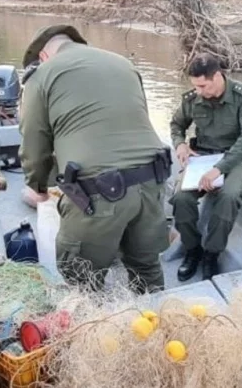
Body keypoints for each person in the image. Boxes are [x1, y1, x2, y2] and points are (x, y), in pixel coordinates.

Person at [18, 24, 173, 294]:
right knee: (147, 269)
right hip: (153, 181)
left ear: (42, 56)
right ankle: (162, 326)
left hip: (97, 194)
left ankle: (95, 332)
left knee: (83, 281)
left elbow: (34, 141)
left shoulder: (42, 75)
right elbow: (138, 117)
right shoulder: (124, 64)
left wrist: (38, 186)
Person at [170, 53, 242, 281]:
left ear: (217, 76)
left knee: (228, 196)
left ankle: (212, 253)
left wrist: (220, 168)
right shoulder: (192, 99)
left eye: (203, 86)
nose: (199, 91)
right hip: (202, 158)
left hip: (236, 159)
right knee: (181, 198)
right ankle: (193, 250)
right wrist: (180, 144)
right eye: (195, 86)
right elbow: (177, 124)